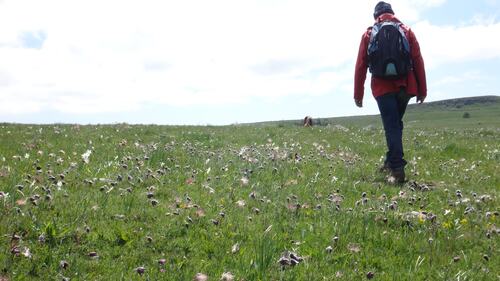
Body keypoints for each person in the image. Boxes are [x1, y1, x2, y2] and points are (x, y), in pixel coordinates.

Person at [354, 1, 427, 183]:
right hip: (405, 86)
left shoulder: (369, 34)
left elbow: (361, 66)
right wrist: (422, 90)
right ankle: (390, 161)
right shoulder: (407, 31)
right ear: (392, 13)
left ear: (376, 16)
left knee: (392, 126)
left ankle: (397, 168)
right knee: (396, 124)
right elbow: (418, 60)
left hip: (382, 88)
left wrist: (358, 94)